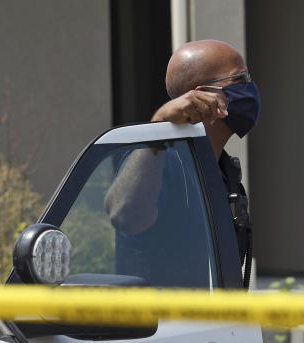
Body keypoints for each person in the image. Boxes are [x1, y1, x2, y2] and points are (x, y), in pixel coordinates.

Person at [104, 40, 259, 287]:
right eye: (239, 79)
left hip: (213, 324)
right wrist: (159, 126)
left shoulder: (222, 170)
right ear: (201, 95)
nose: (250, 88)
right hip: (162, 325)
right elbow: (124, 214)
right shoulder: (160, 159)